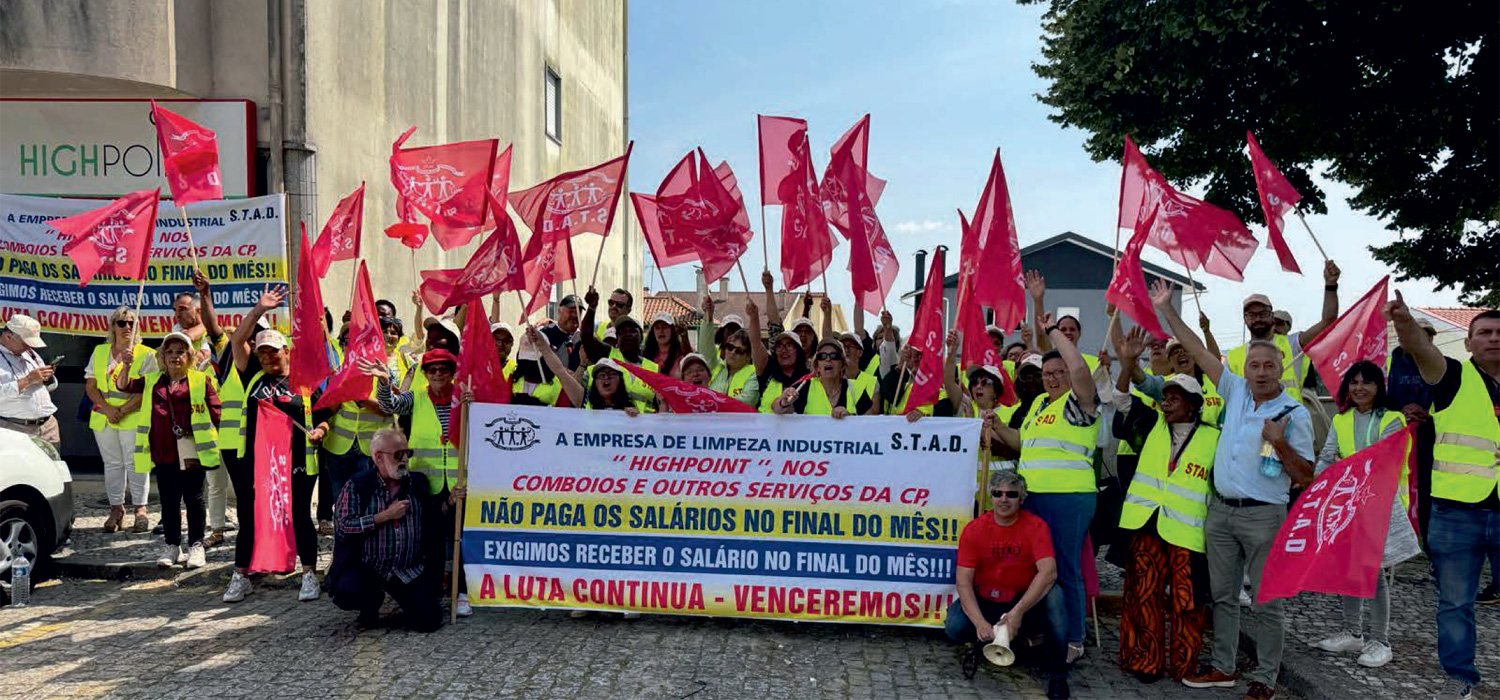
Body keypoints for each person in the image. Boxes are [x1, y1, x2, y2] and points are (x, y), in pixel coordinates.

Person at [1151, 282, 1313, 700]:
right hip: (1221, 513)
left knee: (1266, 601)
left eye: (1268, 366)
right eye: (1254, 365)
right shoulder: (1234, 388)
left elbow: (1305, 475)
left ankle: (1265, 677)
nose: (1260, 371)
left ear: (1280, 369)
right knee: (1223, 596)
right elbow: (1195, 347)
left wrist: (1279, 442)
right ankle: (1223, 667)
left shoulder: (1294, 413)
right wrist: (1167, 310)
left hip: (1264, 516)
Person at [1387, 295, 1499, 700]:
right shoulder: (1452, 376)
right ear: (1468, 344)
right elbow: (1420, 347)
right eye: (1484, 332)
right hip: (1457, 514)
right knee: (1455, 604)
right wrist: (1403, 322)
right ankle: (1459, 678)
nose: (1494, 338)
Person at [990, 311, 1100, 668]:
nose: (1052, 378)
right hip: (1033, 498)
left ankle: (1074, 639)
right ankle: (1039, 630)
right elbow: (1021, 443)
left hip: (1069, 498)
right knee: (1034, 568)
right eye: (1047, 374)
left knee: (1066, 568)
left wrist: (1051, 330)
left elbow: (1081, 371)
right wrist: (996, 425)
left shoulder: (1081, 404)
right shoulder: (1038, 404)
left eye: (1059, 373)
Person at [1110, 327, 1217, 684]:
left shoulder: (1214, 438)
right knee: (1143, 595)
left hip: (1187, 533)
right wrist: (1128, 362)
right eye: (1166, 396)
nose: (1168, 402)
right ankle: (1145, 660)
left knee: (1187, 604)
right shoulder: (1151, 422)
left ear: (1194, 404)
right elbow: (1122, 398)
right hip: (1145, 524)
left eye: (1176, 397)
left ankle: (1185, 665)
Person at [222, 286, 333, 605]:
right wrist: (258, 309)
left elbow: (325, 414)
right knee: (252, 517)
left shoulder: (305, 381)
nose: (268, 356)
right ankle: (241, 576)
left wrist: (320, 430)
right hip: (258, 462)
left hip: (299, 460)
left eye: (273, 350)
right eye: (262, 352)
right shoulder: (253, 377)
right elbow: (236, 340)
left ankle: (309, 573)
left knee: (300, 516)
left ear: (286, 351)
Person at [1309, 362, 1419, 669]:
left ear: (1378, 387)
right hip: (1346, 506)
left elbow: (1385, 462)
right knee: (1350, 569)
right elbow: (1326, 458)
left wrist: (1345, 466)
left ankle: (1380, 640)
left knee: (1374, 573)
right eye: (1354, 382)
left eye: (1367, 382)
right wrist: (1325, 486)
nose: (1360, 388)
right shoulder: (1341, 419)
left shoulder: (1393, 419)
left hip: (1381, 506)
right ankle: (1353, 632)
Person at [361, 347, 472, 617]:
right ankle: (433, 590)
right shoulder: (418, 398)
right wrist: (384, 383)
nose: (437, 374)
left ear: (452, 373)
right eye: (432, 370)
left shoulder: (465, 397)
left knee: (463, 539)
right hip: (426, 480)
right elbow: (389, 406)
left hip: (460, 478)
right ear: (424, 374)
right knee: (431, 539)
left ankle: (462, 592)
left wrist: (474, 403)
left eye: (443, 370)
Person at [944, 471, 1069, 700]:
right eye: (998, 493)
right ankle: (1007, 641)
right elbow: (963, 582)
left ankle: (1057, 674)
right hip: (987, 600)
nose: (1004, 499)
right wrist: (979, 622)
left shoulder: (1036, 526)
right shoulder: (974, 529)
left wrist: (1017, 612)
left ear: (1022, 498)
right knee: (954, 627)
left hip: (1023, 601)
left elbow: (1048, 573)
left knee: (1056, 595)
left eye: (1011, 494)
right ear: (990, 497)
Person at [330, 428, 463, 632]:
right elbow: (344, 527)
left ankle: (407, 603)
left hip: (406, 570)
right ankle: (370, 603)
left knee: (429, 621)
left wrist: (450, 501)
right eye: (398, 454)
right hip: (369, 567)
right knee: (348, 591)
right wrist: (385, 516)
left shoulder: (416, 483)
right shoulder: (358, 485)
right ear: (378, 458)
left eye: (407, 453)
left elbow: (433, 517)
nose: (404, 460)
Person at [116, 332, 222, 570]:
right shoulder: (153, 379)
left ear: (189, 355)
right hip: (163, 450)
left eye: (181, 351)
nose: (175, 356)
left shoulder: (200, 380)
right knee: (169, 500)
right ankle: (173, 546)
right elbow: (124, 386)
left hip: (192, 449)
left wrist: (226, 442)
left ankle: (196, 545)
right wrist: (126, 365)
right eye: (170, 352)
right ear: (162, 356)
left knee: (194, 499)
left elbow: (217, 412)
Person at [1223, 260, 1342, 403]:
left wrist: (1330, 285)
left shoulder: (1293, 344)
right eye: (1252, 315)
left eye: (1263, 313)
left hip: (1291, 421)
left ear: (1272, 316)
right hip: (1253, 424)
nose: (1258, 318)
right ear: (1245, 320)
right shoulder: (1233, 357)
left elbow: (1328, 321)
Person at [85, 306, 154, 533]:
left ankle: (141, 510)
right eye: (122, 323)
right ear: (112, 326)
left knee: (136, 464)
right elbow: (91, 386)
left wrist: (122, 410)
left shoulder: (146, 353)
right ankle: (116, 508)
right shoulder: (100, 351)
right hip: (105, 417)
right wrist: (107, 409)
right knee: (112, 464)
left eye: (132, 323)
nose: (127, 327)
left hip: (132, 416)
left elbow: (146, 391)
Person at [189, 271, 237, 545]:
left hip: (239, 437)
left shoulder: (245, 370)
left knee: (245, 489)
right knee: (215, 486)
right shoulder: (207, 370)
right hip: (212, 437)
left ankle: (249, 530)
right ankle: (216, 529)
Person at [771, 340, 875, 417]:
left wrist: (850, 419)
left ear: (843, 365)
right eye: (822, 356)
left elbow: (869, 426)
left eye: (834, 356)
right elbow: (776, 409)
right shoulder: (805, 386)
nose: (828, 359)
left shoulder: (857, 388)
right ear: (817, 366)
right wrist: (783, 402)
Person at [0, 314, 59, 447]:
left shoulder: (30, 353)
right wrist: (28, 380)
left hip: (46, 427)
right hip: (14, 428)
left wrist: (46, 379)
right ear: (9, 336)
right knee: (18, 467)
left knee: (53, 467)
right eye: (26, 343)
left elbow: (44, 387)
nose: (29, 347)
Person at [1025, 271, 1100, 372]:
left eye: (1072, 329)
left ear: (1079, 333)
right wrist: (1038, 300)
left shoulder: (1094, 361)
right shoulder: (1051, 356)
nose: (1068, 332)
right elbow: (1041, 335)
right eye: (1063, 329)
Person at [697, 295, 760, 408]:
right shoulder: (716, 366)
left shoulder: (753, 374)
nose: (733, 352)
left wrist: (714, 400)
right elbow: (705, 344)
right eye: (730, 347)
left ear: (747, 356)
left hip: (740, 424)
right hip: (712, 422)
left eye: (739, 351)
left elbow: (748, 401)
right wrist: (708, 316)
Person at [643, 312, 687, 376]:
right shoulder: (645, 355)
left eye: (665, 327)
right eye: (657, 328)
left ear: (672, 330)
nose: (661, 331)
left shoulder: (682, 352)